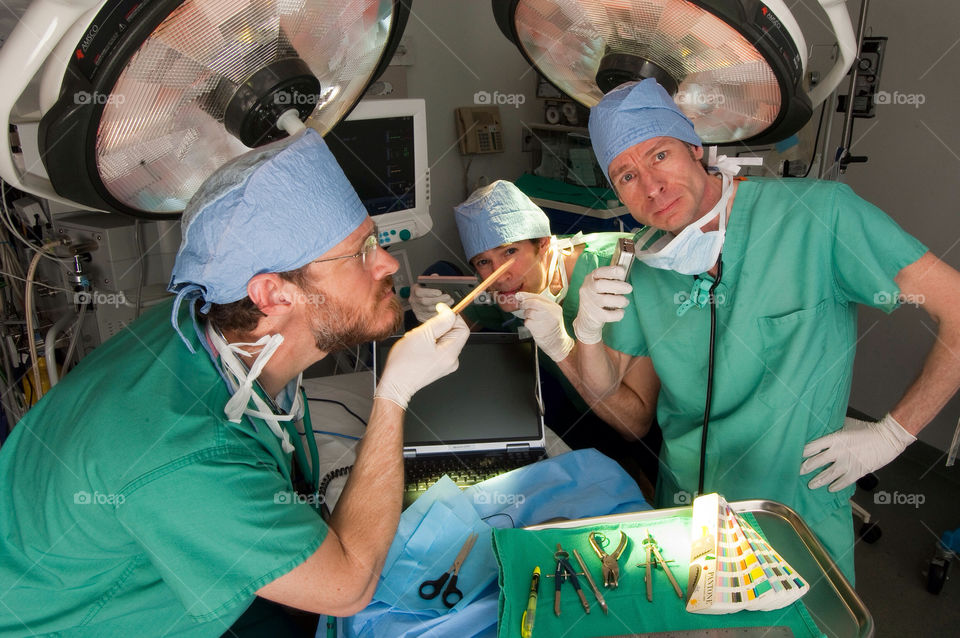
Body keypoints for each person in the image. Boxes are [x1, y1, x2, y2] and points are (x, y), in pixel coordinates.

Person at [0, 129, 469, 635]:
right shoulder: (185, 455)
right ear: (271, 294)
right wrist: (393, 395)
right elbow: (348, 588)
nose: (388, 263)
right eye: (361, 252)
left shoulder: (199, 324)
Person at [571, 78, 960, 583]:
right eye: (625, 176)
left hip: (795, 516)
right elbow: (625, 417)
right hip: (682, 519)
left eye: (659, 155)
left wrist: (894, 434)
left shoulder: (818, 218)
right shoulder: (639, 267)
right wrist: (584, 336)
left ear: (695, 148)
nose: (650, 187)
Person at [410, 180, 661, 492]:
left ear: (545, 244)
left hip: (650, 429)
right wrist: (432, 317)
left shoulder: (615, 274)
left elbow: (633, 425)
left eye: (510, 252)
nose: (499, 274)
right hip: (583, 411)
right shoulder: (503, 286)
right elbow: (463, 326)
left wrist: (561, 347)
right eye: (483, 261)